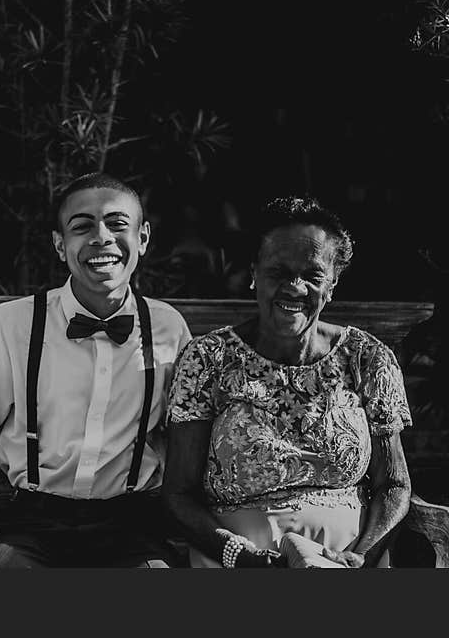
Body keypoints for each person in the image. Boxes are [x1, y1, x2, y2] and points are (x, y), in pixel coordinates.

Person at [0, 172, 192, 567]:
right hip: (33, 524)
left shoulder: (168, 328)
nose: (101, 237)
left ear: (143, 238)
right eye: (82, 226)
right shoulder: (12, 324)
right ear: (59, 244)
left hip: (133, 526)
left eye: (117, 224)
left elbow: (184, 439)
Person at [162, 196, 412, 568]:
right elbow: (179, 494)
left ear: (332, 283)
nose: (294, 287)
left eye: (312, 275)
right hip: (238, 562)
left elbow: (393, 484)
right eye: (278, 272)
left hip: (345, 561)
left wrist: (359, 558)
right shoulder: (208, 358)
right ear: (253, 274)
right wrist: (242, 557)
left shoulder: (367, 358)